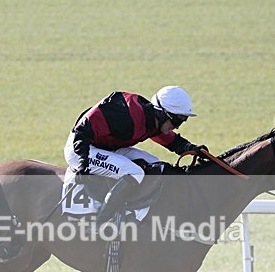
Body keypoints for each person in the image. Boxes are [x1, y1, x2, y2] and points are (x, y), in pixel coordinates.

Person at [64, 86, 206, 224]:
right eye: (176, 120)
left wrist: (189, 148)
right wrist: (83, 162)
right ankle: (102, 222)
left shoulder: (153, 120)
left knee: (154, 163)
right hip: (81, 148)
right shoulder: (125, 113)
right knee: (135, 172)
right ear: (161, 113)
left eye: (182, 121)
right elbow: (82, 130)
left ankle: (134, 212)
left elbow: (167, 138)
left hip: (107, 148)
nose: (177, 126)